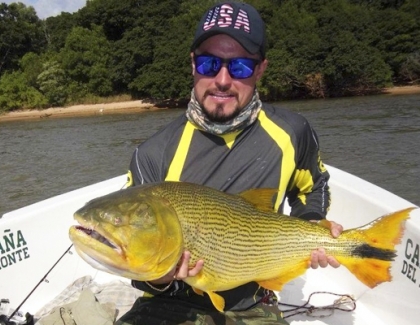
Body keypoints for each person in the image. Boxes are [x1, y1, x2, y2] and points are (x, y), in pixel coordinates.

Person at [117, 2, 342, 324]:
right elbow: (136, 259)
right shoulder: (153, 153)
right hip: (169, 302)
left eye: (239, 67)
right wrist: (160, 278)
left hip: (251, 299)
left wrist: (310, 221)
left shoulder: (293, 132)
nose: (222, 80)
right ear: (193, 65)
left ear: (261, 69)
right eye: (210, 64)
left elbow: (313, 185)